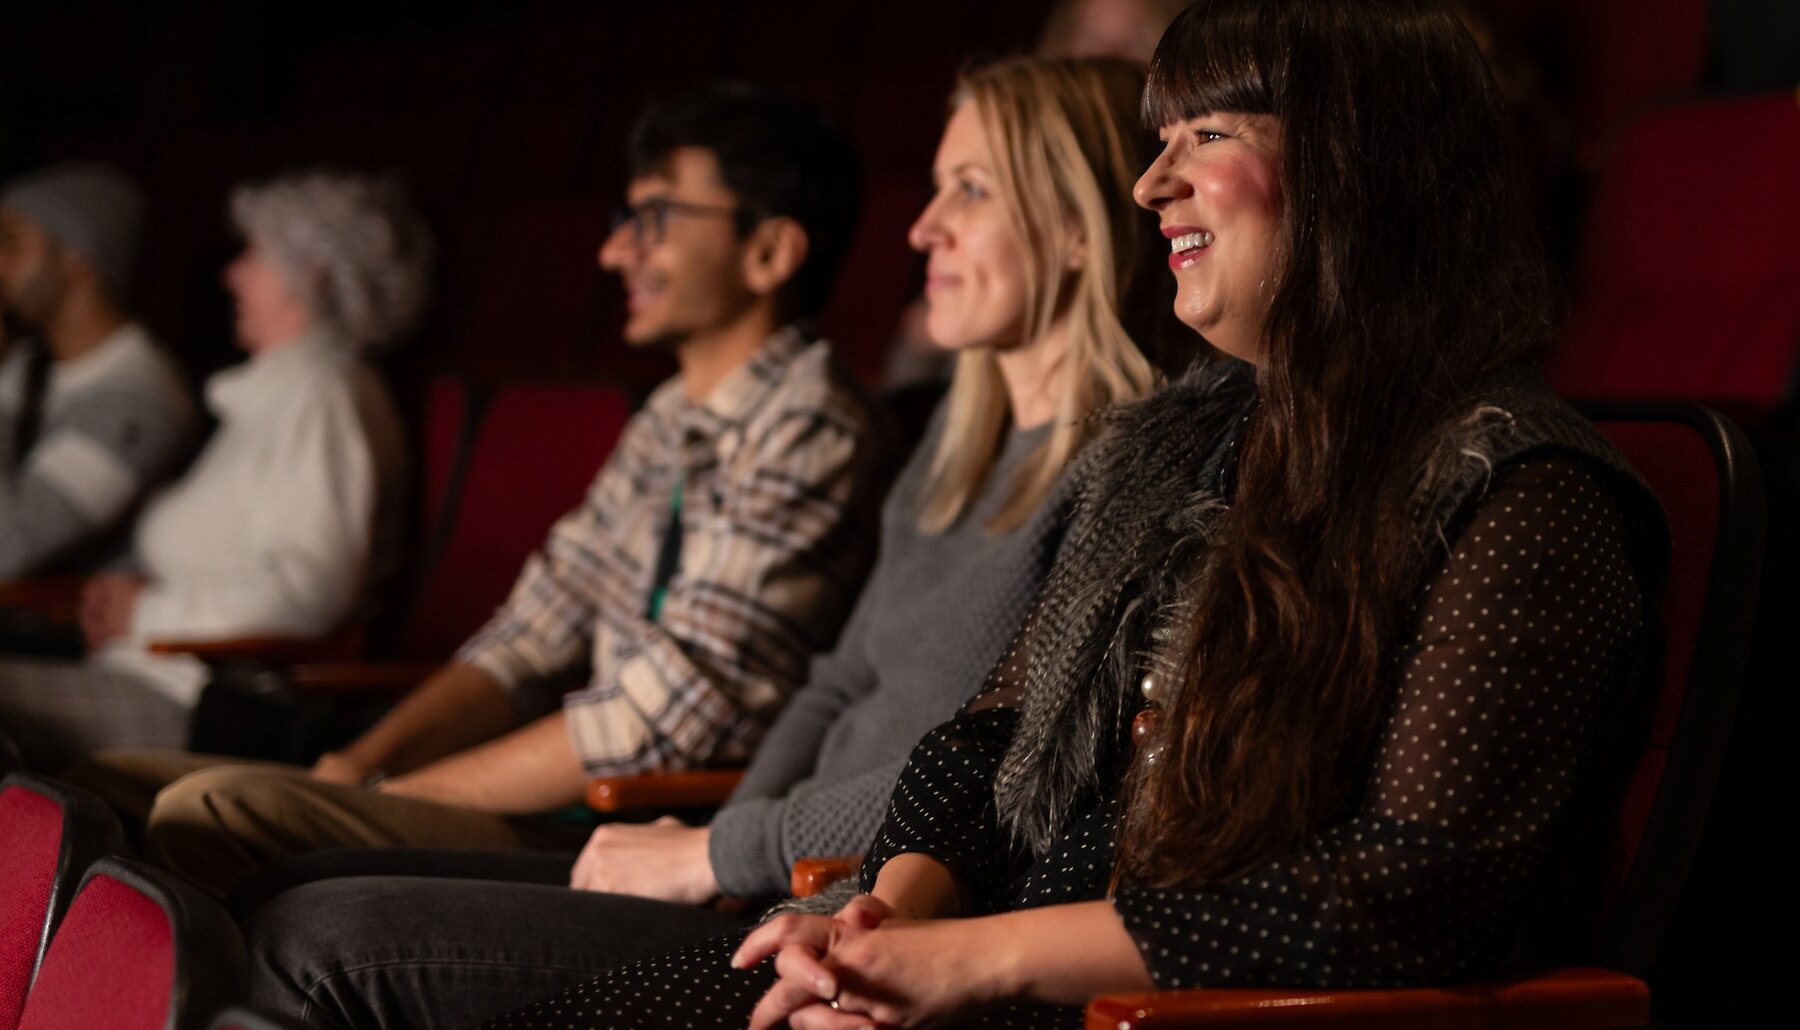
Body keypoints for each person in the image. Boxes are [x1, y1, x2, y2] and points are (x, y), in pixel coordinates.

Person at [482, 2, 1671, 1027]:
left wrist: (967, 959)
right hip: (1006, 965)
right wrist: (886, 923)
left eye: (1207, 136)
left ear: (1367, 170)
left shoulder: (1523, 494)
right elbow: (991, 738)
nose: (1155, 183)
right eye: (1159, 142)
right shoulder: (1182, 444)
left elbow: (1397, 896)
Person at [237, 55, 1176, 1029]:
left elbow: (998, 766)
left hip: (857, 913)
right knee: (291, 886)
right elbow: (835, 682)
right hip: (768, 878)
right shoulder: (950, 444)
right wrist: (725, 856)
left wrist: (725, 855)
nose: (922, 227)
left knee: (310, 936)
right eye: (935, 186)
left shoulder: (1130, 473)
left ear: (1079, 227)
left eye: (970, 190)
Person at [69, 83, 889, 897]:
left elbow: (667, 714)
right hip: (568, 799)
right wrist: (362, 762)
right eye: (622, 221)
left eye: (657, 220)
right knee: (106, 784)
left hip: (646, 834)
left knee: (209, 809)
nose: (614, 254)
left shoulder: (811, 420)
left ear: (770, 253)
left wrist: (397, 796)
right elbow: (529, 634)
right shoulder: (672, 416)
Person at [0, 169, 427, 770]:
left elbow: (309, 592)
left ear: (312, 275)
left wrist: (144, 614)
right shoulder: (281, 393)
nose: (233, 274)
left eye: (253, 256)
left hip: (203, 700)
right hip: (152, 672)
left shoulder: (325, 395)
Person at [0, 162, 194, 581]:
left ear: (76, 257)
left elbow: (6, 549)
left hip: (83, 641)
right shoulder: (28, 367)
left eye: (12, 243)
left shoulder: (139, 402)